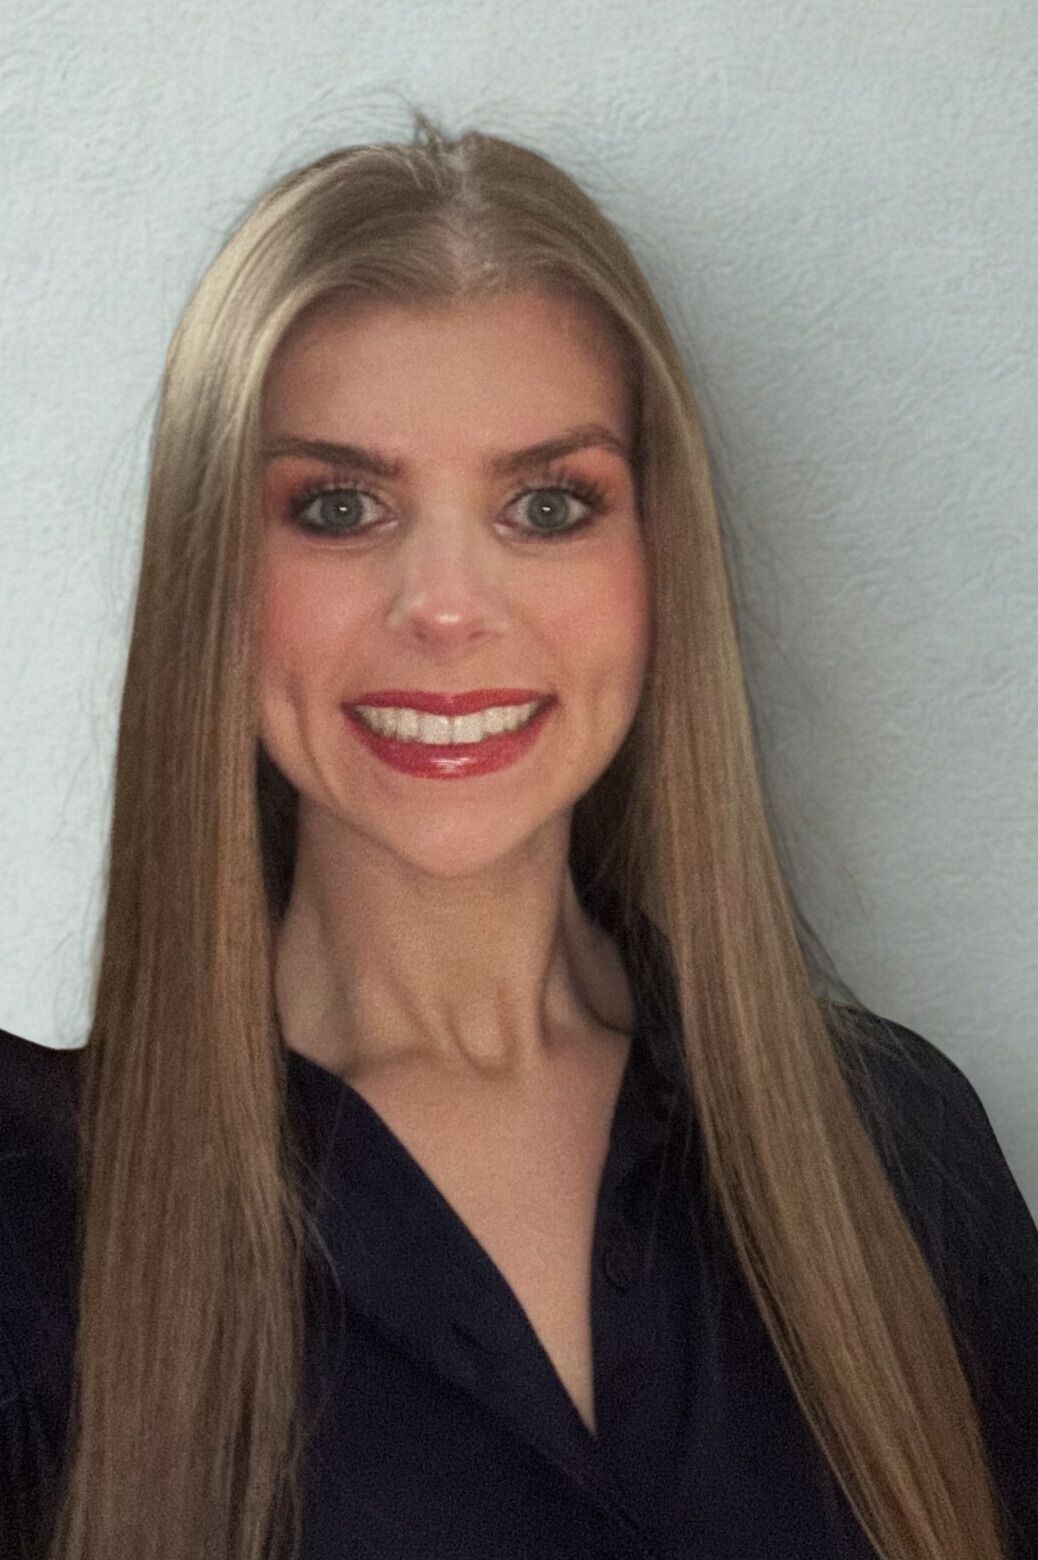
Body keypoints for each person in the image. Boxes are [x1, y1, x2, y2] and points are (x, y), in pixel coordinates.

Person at [1, 111, 1036, 1560]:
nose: (446, 605)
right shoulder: (33, 1217)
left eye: (547, 504)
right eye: (340, 505)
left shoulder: (899, 1151)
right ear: (212, 581)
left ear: (653, 563)